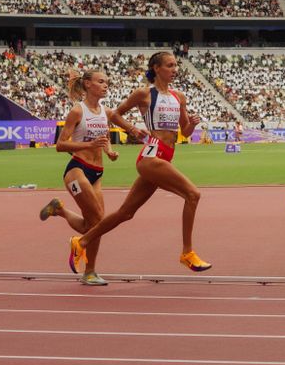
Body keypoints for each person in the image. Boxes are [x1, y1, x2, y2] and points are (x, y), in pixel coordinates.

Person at [73, 51, 211, 285]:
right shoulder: (145, 93)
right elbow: (115, 114)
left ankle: (82, 241)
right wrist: (133, 130)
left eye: (176, 65)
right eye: (170, 65)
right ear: (156, 68)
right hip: (151, 155)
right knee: (193, 194)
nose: (175, 69)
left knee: (126, 213)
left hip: (166, 155)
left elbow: (184, 132)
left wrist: (193, 125)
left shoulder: (179, 97)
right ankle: (187, 252)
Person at [38, 67, 132, 261]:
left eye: (107, 82)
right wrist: (90, 144)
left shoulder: (105, 111)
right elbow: (61, 145)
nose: (105, 85)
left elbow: (104, 137)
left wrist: (109, 152)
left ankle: (60, 210)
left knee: (92, 226)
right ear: (88, 84)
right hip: (77, 169)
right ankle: (82, 253)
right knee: (99, 220)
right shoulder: (77, 111)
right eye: (100, 82)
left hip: (97, 172)